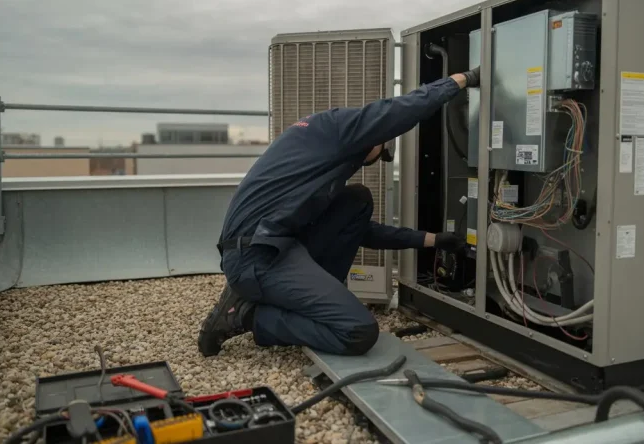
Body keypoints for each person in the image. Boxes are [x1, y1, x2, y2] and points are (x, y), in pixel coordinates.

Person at [197, 67, 481, 357]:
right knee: (358, 331)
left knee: (357, 200)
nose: (372, 162)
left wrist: (433, 240)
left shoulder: (316, 150)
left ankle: (274, 300)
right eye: (381, 155)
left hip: (273, 245)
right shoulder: (338, 128)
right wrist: (462, 80)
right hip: (256, 256)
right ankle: (247, 315)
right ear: (378, 137)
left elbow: (360, 231)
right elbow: (401, 110)